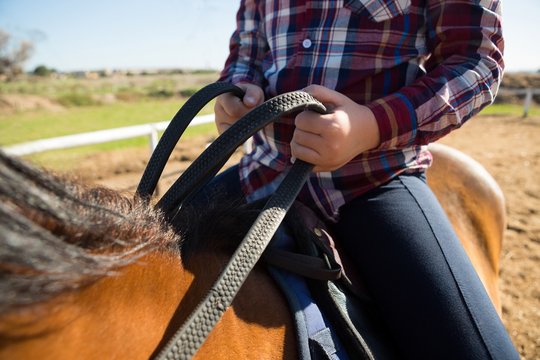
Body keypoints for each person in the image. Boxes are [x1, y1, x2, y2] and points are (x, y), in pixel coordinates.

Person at [203, 0, 518, 358]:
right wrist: (237, 91)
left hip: (373, 177)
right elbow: (247, 52)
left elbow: (476, 63)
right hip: (261, 170)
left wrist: (371, 125)